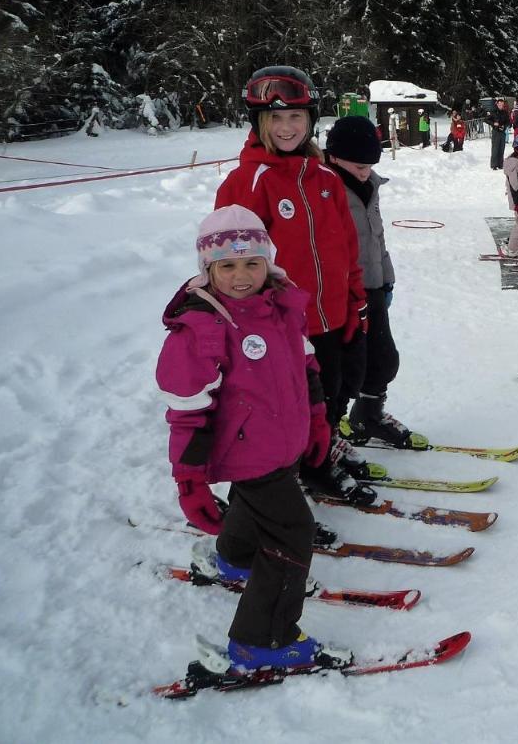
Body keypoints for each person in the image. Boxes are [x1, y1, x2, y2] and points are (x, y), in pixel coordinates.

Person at [157, 205, 351, 674]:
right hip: (246, 451)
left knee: (256, 502)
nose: (241, 275)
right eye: (227, 265)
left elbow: (305, 367)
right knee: (292, 532)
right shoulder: (201, 328)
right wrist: (190, 481)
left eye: (251, 262)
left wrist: (318, 419)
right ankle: (262, 640)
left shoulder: (281, 305)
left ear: (268, 261)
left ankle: (235, 557)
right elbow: (188, 412)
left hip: (280, 443)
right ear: (208, 269)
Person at [214, 66, 375, 507]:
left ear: (310, 121)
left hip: (334, 316)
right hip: (286, 328)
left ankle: (321, 455)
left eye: (296, 118)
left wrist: (356, 303)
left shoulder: (325, 179)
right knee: (298, 406)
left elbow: (347, 249)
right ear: (259, 123)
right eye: (275, 120)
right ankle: (299, 474)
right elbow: (230, 270)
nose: (286, 129)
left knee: (339, 390)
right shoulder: (247, 182)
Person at [322, 116, 416, 451]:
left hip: (373, 287)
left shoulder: (371, 186)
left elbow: (376, 236)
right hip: (343, 296)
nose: (365, 171)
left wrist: (387, 279)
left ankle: (367, 416)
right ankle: (328, 435)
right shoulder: (324, 189)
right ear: (334, 156)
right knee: (345, 373)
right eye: (359, 165)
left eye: (370, 164)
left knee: (385, 360)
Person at [487, 96, 511, 170]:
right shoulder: (493, 111)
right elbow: (486, 119)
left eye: (502, 104)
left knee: (502, 148)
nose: (501, 106)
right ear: (497, 104)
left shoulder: (505, 112)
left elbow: (508, 121)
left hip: (502, 131)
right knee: (495, 148)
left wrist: (505, 126)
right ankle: (494, 165)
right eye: (499, 104)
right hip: (496, 132)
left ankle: (500, 164)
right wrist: (493, 123)